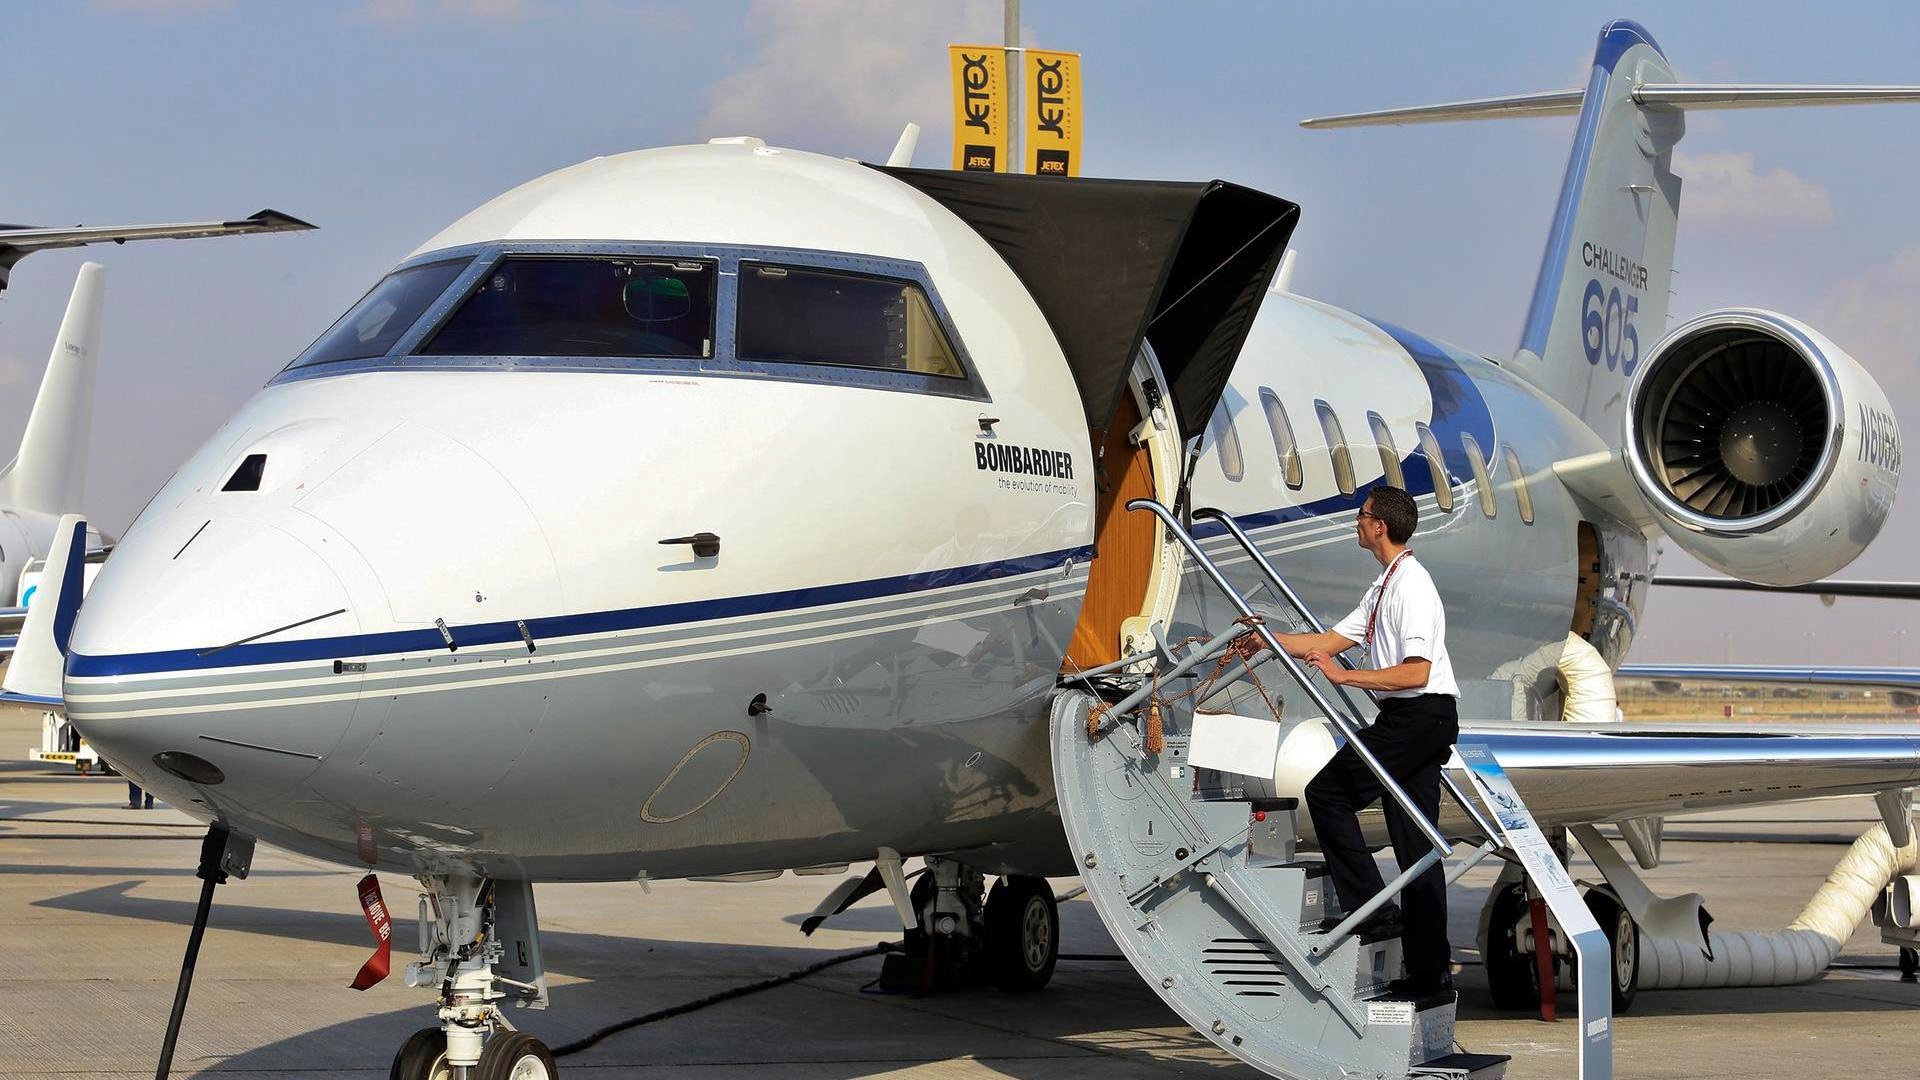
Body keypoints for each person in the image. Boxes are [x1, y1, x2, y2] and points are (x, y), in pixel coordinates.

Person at [1269, 484, 1460, 997]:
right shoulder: (1383, 587)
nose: (1356, 521)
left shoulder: (1412, 586)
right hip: (1412, 720)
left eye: (1362, 515)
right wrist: (1266, 638)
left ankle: (1372, 915)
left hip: (1419, 716)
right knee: (1415, 847)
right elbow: (1327, 641)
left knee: (1328, 793)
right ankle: (1431, 975)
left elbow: (1417, 672)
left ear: (1380, 525)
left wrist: (1345, 678)